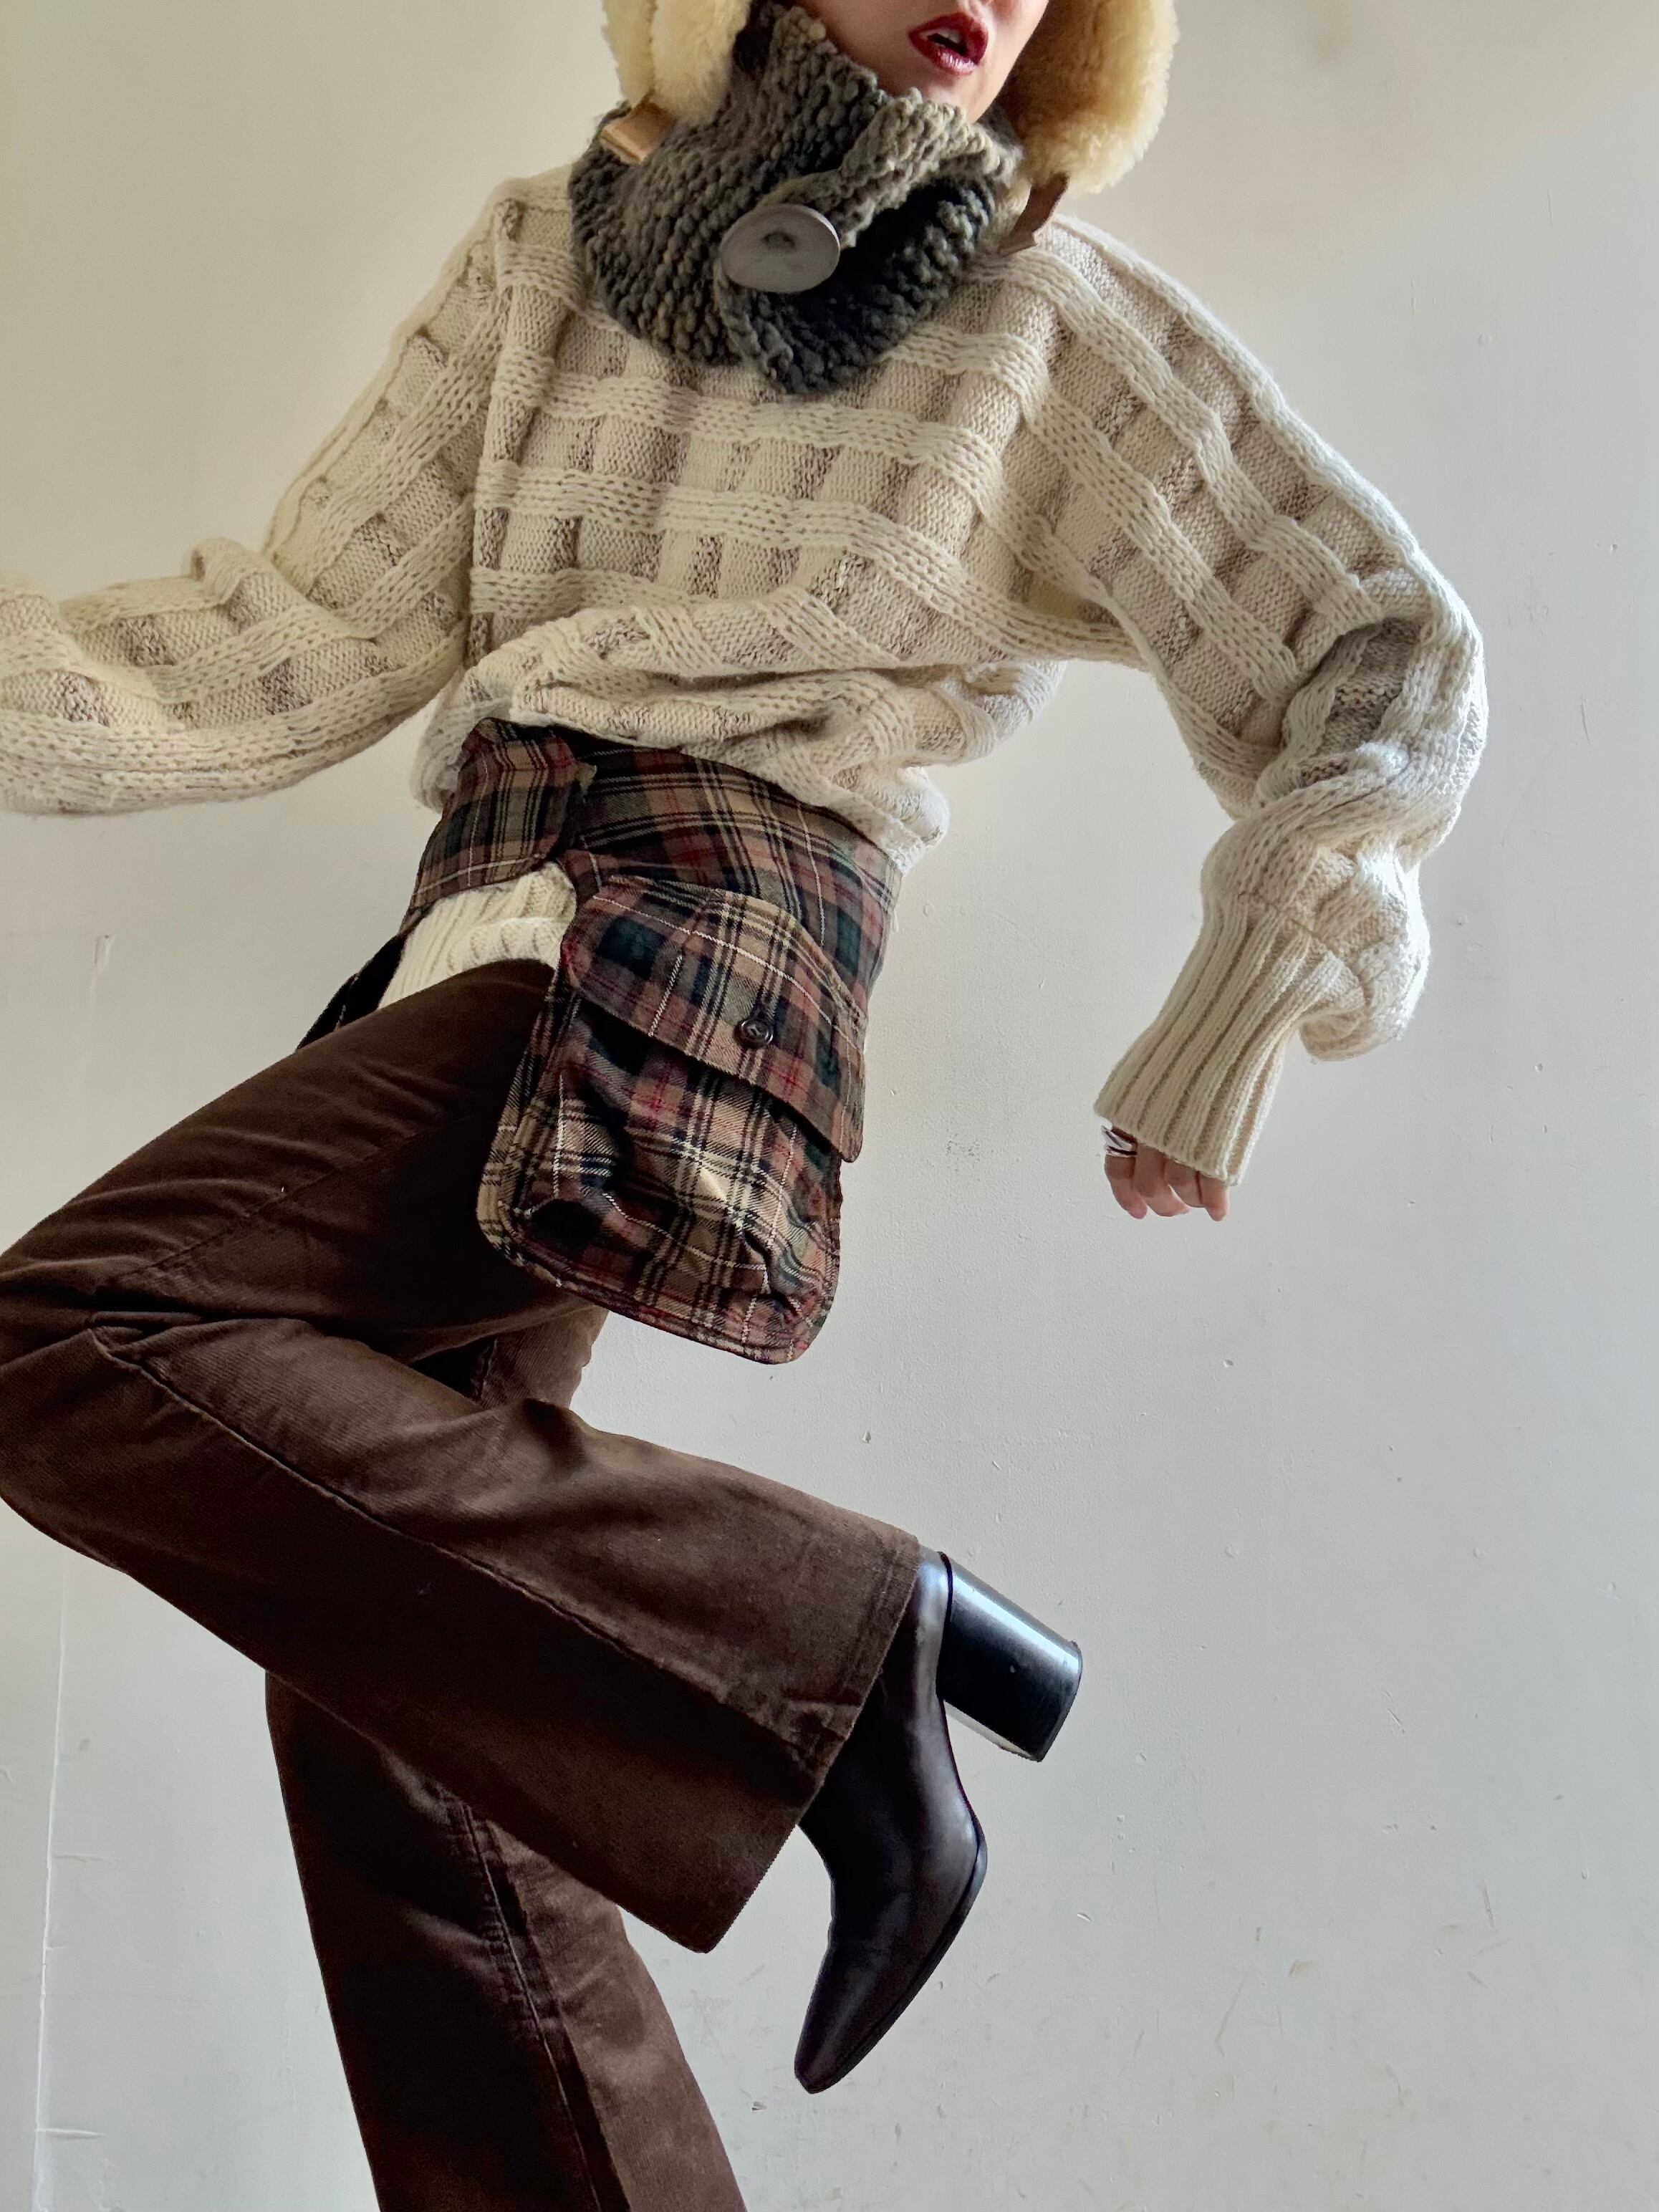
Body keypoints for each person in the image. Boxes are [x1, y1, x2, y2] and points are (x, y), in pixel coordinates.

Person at [0, 0, 1486, 2203]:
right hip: (478, 933)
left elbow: (1374, 650)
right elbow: (284, 637)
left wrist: (1247, 991)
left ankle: (836, 1643)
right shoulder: (541, 261)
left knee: (71, 1334)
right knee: (410, 1713)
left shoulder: (1037, 318)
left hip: (701, 947)